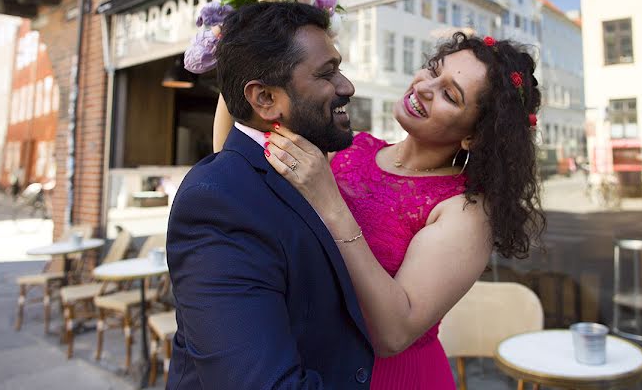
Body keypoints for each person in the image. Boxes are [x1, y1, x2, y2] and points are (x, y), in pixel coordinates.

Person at [215, 31, 545, 389]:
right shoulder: (352, 147)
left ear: (475, 136)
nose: (424, 87)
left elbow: (394, 333)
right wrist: (242, 61)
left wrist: (329, 201)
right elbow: (244, 160)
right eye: (433, 69)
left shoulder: (466, 212)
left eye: (449, 94)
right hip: (314, 368)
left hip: (393, 379)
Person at [166, 1, 374, 389]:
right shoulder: (219, 202)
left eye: (339, 68)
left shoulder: (313, 168)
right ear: (265, 100)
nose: (347, 86)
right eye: (327, 74)